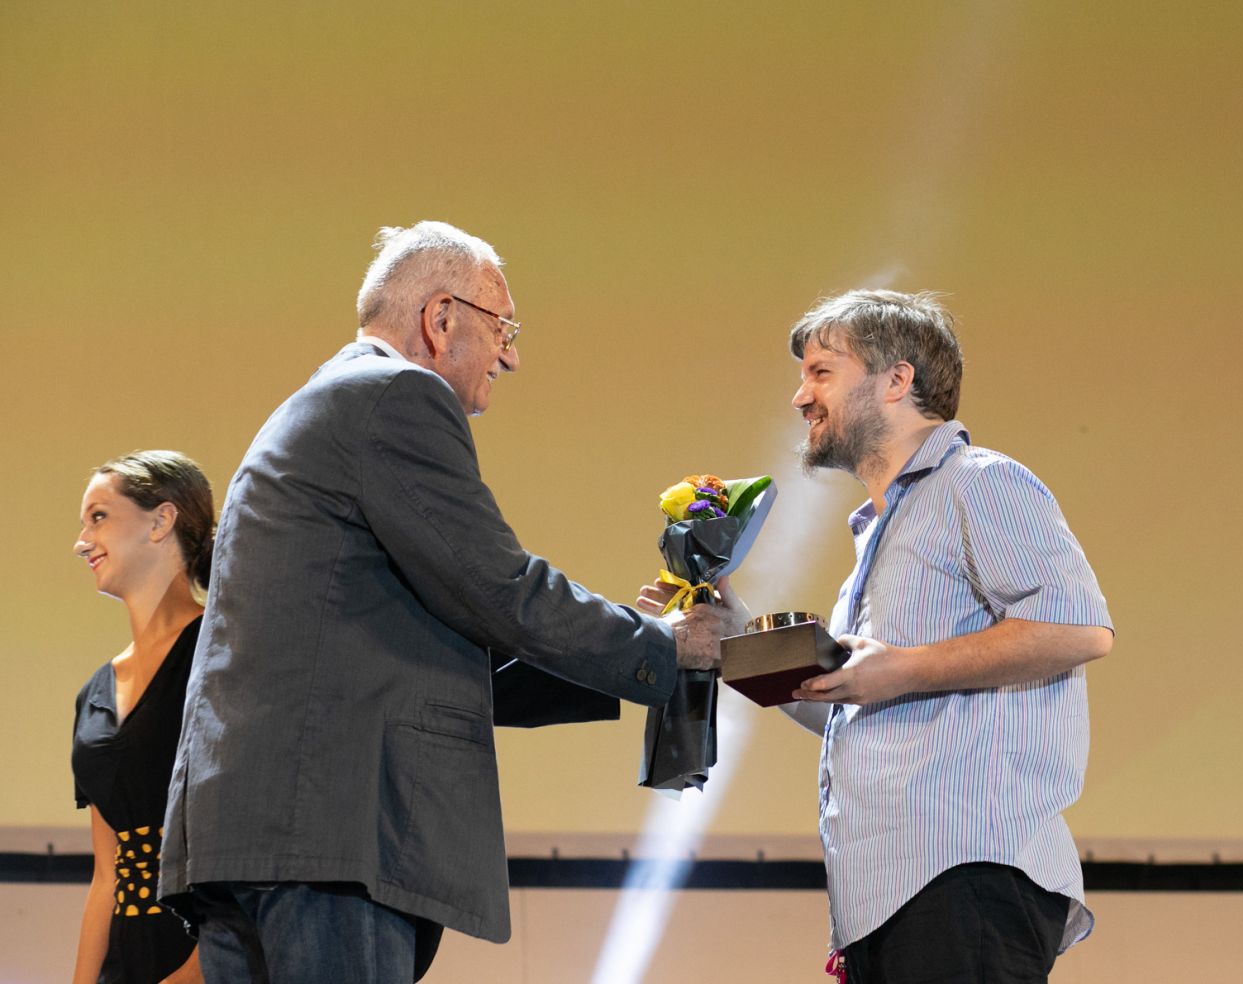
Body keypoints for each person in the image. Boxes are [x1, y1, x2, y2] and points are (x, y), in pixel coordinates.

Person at [157, 221, 725, 984]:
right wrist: (665, 647)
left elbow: (427, 642)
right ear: (441, 318)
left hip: (257, 835)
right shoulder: (397, 394)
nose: (511, 356)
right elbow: (496, 587)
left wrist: (633, 649)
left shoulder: (323, 406)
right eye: (503, 328)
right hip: (330, 836)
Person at [645, 290, 1114, 983]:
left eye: (821, 372)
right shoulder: (880, 534)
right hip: (886, 901)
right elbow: (848, 705)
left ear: (897, 380)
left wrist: (904, 668)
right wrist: (732, 643)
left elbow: (1079, 629)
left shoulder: (980, 482)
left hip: (963, 874)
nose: (800, 397)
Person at [71, 450, 216, 984]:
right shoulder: (94, 694)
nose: (81, 541)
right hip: (126, 959)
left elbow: (254, 837)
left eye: (99, 517)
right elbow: (107, 875)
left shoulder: (223, 655)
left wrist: (198, 972)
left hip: (211, 956)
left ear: (161, 520)